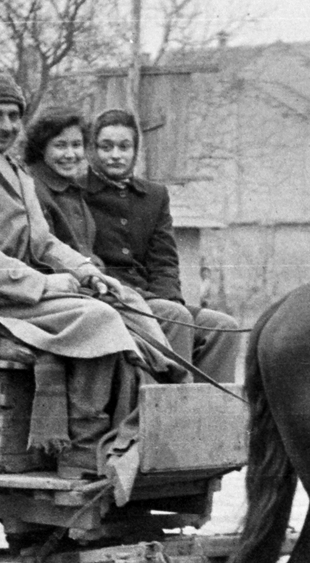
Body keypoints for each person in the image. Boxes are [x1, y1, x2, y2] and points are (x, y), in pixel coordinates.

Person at [0, 72, 160, 473]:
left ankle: (153, 407)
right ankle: (82, 447)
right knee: (96, 318)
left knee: (127, 301)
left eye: (14, 116)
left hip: (8, 288)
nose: (7, 125)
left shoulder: (13, 171)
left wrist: (86, 271)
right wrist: (44, 283)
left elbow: (44, 242)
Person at [82, 109, 241, 383]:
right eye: (106, 147)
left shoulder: (154, 196)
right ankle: (169, 407)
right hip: (113, 300)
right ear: (93, 150)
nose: (116, 155)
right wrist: (168, 311)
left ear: (136, 151)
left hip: (154, 301)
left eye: (124, 147)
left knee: (223, 327)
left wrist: (168, 301)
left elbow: (164, 262)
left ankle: (208, 407)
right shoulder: (80, 193)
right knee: (175, 316)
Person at [23, 108, 96, 257]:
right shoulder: (34, 189)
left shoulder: (70, 185)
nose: (70, 154)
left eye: (76, 145)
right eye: (60, 145)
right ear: (41, 148)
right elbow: (45, 254)